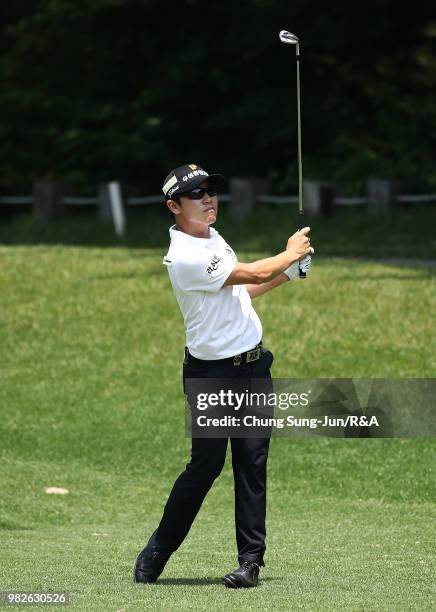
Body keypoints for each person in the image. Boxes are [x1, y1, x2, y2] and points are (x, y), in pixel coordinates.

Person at [134, 163, 313, 588]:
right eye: (196, 194)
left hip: (252, 368)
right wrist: (290, 252)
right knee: (205, 467)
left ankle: (250, 563)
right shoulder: (185, 256)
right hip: (211, 375)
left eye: (210, 191)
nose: (208, 199)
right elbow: (250, 272)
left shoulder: (212, 237)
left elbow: (241, 290)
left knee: (252, 463)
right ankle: (159, 548)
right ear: (174, 206)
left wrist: (287, 273)